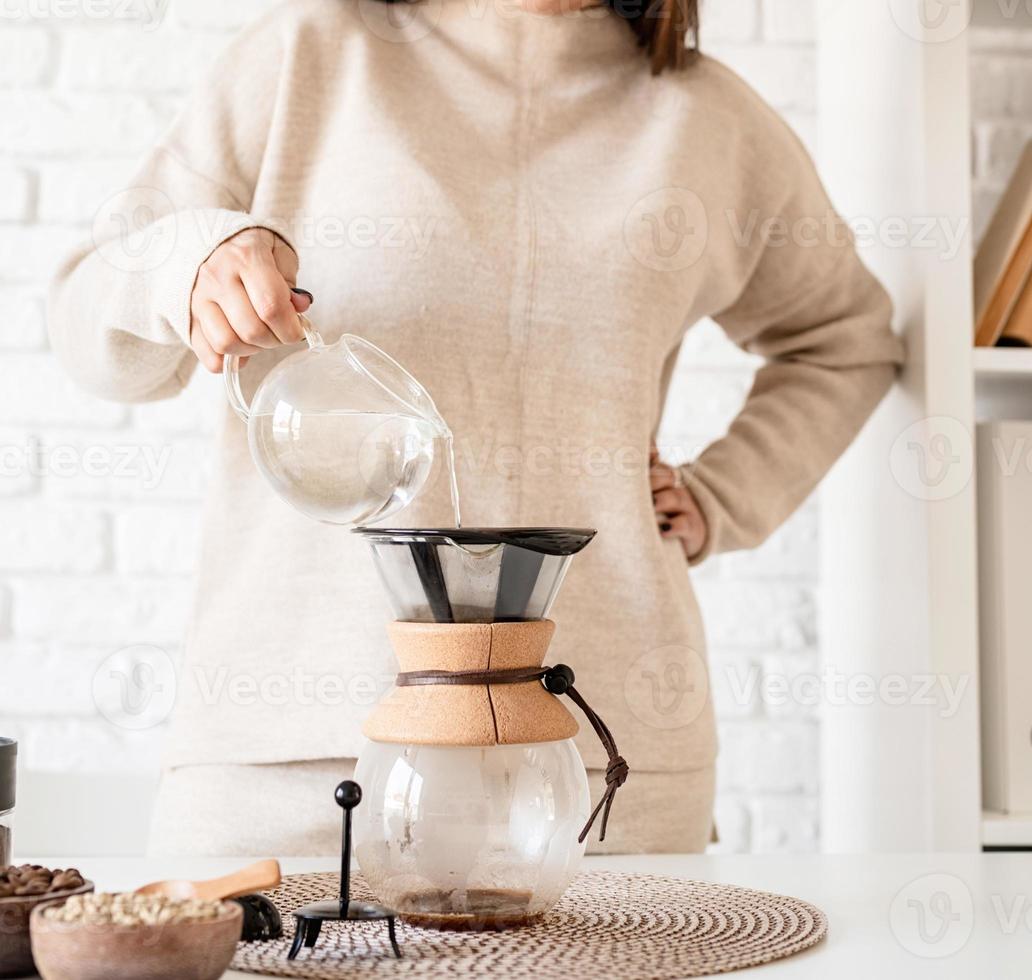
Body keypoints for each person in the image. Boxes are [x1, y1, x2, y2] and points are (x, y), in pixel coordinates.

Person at [49, 0, 903, 855]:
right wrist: (189, 262)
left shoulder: (708, 120)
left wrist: (722, 495)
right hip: (294, 762)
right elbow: (89, 329)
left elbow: (845, 340)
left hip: (599, 771)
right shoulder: (305, 57)